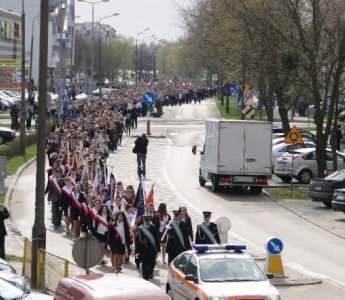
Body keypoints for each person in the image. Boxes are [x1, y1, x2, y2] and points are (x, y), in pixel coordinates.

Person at [135, 214, 160, 280]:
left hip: (152, 250)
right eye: (146, 220)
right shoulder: (140, 228)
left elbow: (157, 239)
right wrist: (138, 251)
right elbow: (137, 241)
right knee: (144, 266)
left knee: (152, 264)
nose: (147, 222)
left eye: (148, 220)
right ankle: (145, 278)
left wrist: (158, 249)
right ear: (143, 220)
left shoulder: (153, 227)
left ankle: (150, 273)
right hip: (144, 251)